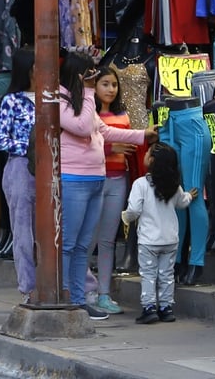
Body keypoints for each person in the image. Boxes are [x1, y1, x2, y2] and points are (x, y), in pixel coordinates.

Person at [59, 51, 156, 320]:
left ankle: (79, 300)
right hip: (74, 179)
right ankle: (65, 296)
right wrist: (90, 93)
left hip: (96, 178)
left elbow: (103, 130)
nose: (93, 77)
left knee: (81, 246)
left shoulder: (82, 99)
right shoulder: (60, 99)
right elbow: (80, 127)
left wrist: (141, 135)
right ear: (79, 75)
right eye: (89, 73)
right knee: (70, 243)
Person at [121, 142, 194, 325]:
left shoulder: (141, 184)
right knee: (166, 274)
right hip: (170, 238)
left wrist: (126, 217)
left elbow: (134, 209)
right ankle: (166, 307)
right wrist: (191, 196)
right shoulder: (173, 185)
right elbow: (182, 203)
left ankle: (149, 307)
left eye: (147, 152)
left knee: (148, 274)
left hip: (148, 240)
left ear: (152, 160)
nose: (144, 154)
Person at [0, 46, 36, 304]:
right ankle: (29, 287)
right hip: (20, 167)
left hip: (50, 168)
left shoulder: (52, 97)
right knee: (23, 232)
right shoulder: (12, 101)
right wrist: (28, 147)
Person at [90, 65, 135, 315]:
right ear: (94, 88)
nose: (110, 89)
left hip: (119, 180)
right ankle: (83, 289)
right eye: (105, 84)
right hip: (94, 180)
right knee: (89, 240)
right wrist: (110, 149)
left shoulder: (124, 117)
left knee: (107, 240)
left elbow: (131, 148)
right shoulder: (88, 116)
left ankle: (104, 294)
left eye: (114, 85)